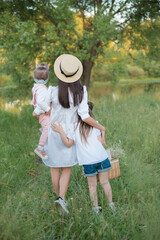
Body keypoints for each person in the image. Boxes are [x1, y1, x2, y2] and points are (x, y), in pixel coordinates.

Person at [34, 54, 106, 214]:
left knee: (54, 168)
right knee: (66, 168)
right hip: (70, 133)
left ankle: (60, 199)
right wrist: (100, 127)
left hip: (54, 130)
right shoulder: (81, 91)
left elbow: (42, 104)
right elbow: (85, 116)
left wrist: (40, 112)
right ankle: (61, 198)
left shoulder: (52, 90)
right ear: (76, 74)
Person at [52, 101, 115, 214]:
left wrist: (60, 131)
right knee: (105, 183)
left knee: (92, 186)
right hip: (102, 158)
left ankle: (96, 208)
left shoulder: (73, 127)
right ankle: (111, 205)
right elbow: (101, 142)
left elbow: (68, 143)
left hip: (88, 162)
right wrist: (102, 136)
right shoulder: (95, 123)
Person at [32, 63, 51, 160]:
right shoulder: (42, 89)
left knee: (47, 128)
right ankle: (40, 147)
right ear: (46, 79)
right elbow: (40, 102)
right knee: (47, 128)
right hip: (43, 113)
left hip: (41, 113)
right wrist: (48, 109)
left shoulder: (36, 87)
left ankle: (44, 134)